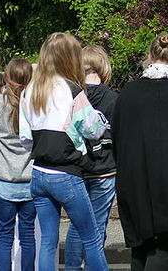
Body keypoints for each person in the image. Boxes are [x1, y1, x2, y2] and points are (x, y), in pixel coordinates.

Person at [113, 32, 168, 271]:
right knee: (163, 246)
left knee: (140, 246)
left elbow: (117, 136)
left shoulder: (128, 93)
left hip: (134, 178)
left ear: (150, 56)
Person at [19, 32, 109, 271]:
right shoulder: (72, 91)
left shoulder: (29, 91)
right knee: (91, 237)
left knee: (48, 241)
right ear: (71, 58)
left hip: (39, 172)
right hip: (67, 173)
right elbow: (92, 130)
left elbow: (25, 138)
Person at [64, 45, 119, 271]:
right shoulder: (114, 99)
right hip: (105, 170)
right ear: (104, 67)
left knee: (77, 226)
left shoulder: (69, 95)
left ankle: (72, 267)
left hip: (76, 168)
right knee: (97, 226)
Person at [0, 58, 35, 271]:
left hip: (4, 179)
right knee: (28, 235)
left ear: (6, 78)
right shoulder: (34, 103)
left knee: (4, 236)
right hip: (30, 179)